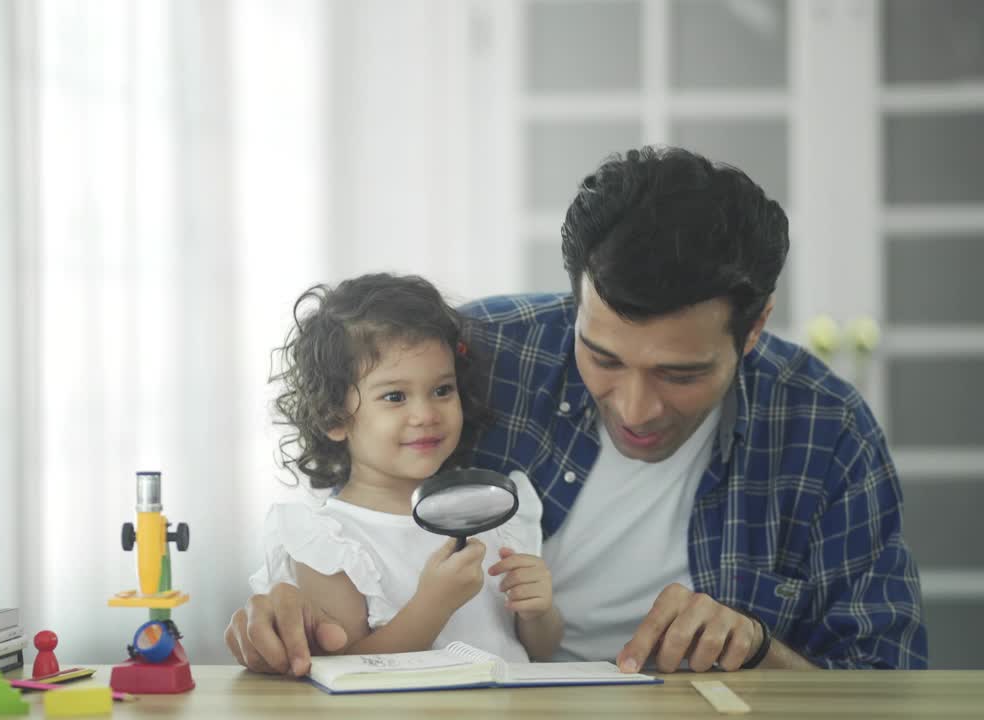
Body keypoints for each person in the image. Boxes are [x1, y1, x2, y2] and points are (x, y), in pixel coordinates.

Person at [226, 147, 928, 674]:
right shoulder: (476, 355)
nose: (635, 406)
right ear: (576, 302)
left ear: (753, 328)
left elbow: (888, 691)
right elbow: (356, 514)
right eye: (604, 356)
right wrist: (286, 620)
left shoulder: (825, 433)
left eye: (680, 373)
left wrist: (758, 646)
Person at [245, 273, 563, 668]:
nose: (426, 414)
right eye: (395, 396)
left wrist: (539, 613)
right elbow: (346, 668)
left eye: (442, 390)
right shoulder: (327, 540)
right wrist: (433, 605)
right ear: (334, 417)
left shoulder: (496, 510)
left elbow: (540, 650)